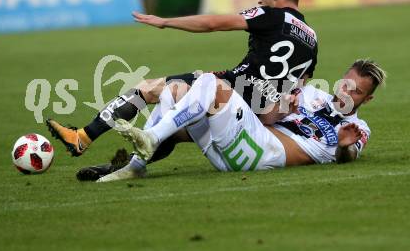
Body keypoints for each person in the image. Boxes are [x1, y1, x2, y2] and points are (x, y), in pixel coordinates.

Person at [46, 0, 318, 164]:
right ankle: (124, 167)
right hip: (256, 117)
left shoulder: (269, 15)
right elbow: (297, 90)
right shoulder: (312, 39)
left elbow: (213, 23)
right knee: (174, 130)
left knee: (148, 89)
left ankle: (82, 136)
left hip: (232, 91)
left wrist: (166, 22)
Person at [92, 59, 385, 183]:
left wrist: (345, 146)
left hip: (264, 154)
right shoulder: (310, 94)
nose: (346, 92)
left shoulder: (359, 129)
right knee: (176, 90)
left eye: (356, 91)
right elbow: (267, 116)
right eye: (346, 83)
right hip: (241, 145)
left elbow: (346, 157)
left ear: (367, 100)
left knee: (211, 84)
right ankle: (136, 166)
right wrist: (281, 108)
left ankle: (151, 139)